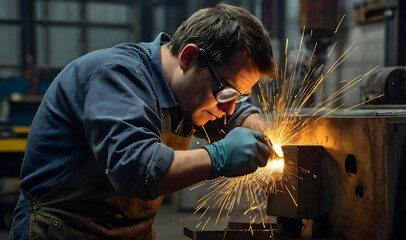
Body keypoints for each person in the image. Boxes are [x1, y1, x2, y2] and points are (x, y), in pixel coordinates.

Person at [9, 3, 277, 239]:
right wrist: (220, 156)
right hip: (62, 230)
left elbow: (236, 111)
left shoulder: (190, 91)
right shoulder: (117, 78)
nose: (229, 108)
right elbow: (137, 170)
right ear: (189, 57)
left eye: (239, 95)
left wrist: (263, 134)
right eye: (226, 91)